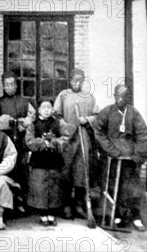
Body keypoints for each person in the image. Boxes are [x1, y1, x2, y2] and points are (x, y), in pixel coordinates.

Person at [93, 84, 147, 232]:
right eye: (118, 97)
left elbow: (143, 134)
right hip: (112, 157)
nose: (121, 100)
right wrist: (110, 150)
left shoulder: (134, 113)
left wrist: (138, 153)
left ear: (129, 98)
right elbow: (98, 131)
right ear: (114, 97)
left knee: (132, 187)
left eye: (124, 97)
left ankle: (135, 216)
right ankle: (116, 214)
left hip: (130, 158)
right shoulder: (107, 112)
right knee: (112, 186)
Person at [53, 68, 100, 219]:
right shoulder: (63, 95)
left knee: (81, 170)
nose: (77, 83)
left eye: (80, 80)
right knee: (66, 170)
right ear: (70, 80)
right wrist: (65, 126)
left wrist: (87, 120)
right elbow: (55, 115)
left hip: (83, 139)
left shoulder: (89, 97)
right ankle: (65, 204)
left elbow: (97, 116)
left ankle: (79, 204)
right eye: (74, 80)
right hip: (67, 138)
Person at [26, 98, 76, 227]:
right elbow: (29, 141)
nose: (47, 110)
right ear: (39, 110)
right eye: (44, 108)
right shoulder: (33, 124)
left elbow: (66, 138)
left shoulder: (59, 123)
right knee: (41, 187)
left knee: (54, 186)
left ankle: (52, 214)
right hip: (40, 160)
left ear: (52, 109)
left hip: (54, 160)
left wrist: (55, 142)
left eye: (49, 107)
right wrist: (42, 142)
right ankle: (43, 214)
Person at [0, 71, 36, 213]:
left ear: (16, 86)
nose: (10, 87)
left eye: (13, 84)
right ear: (3, 87)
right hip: (4, 143)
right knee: (6, 169)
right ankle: (4, 203)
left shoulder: (24, 102)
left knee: (21, 170)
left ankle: (21, 202)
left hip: (21, 142)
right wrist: (7, 122)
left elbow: (32, 117)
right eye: (7, 85)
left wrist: (23, 123)